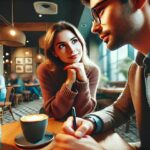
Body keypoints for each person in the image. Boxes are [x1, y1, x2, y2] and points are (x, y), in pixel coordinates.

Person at [50, 0, 150, 150]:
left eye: (100, 11)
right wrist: (91, 122)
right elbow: (120, 109)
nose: (94, 28)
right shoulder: (137, 68)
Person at [37, 21, 100, 120]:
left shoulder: (92, 70)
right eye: (62, 46)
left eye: (74, 41)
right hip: (53, 121)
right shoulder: (45, 69)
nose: (72, 49)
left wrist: (83, 81)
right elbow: (53, 113)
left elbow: (84, 112)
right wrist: (68, 83)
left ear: (81, 41)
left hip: (81, 122)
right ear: (54, 53)